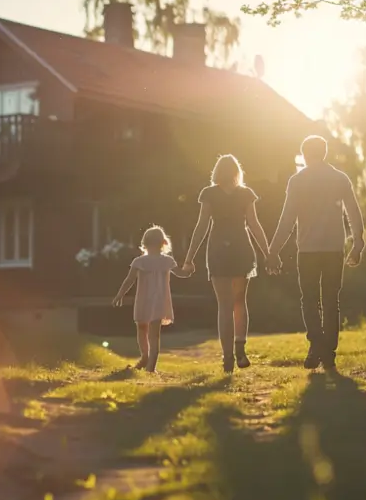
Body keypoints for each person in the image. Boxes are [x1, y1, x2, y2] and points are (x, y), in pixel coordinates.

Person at [267, 135, 365, 371]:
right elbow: (353, 211)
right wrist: (358, 242)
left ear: (304, 154)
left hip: (308, 250)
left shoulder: (297, 181)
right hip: (334, 249)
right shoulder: (339, 179)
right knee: (331, 301)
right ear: (324, 152)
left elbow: (287, 218)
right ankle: (327, 351)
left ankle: (316, 346)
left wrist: (274, 250)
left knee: (309, 300)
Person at [182, 155, 272, 373]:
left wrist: (189, 257)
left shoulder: (209, 193)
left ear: (216, 172)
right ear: (236, 172)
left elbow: (202, 225)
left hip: (218, 250)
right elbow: (254, 224)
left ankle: (228, 357)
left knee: (224, 305)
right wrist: (268, 253)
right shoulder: (245, 194)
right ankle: (240, 347)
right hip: (242, 248)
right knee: (240, 302)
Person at [112, 226, 191, 372]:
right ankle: (147, 360)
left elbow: (129, 280)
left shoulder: (159, 261)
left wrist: (120, 295)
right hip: (156, 300)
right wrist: (188, 270)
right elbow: (181, 274)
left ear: (145, 243)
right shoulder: (143, 261)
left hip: (147, 300)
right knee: (151, 333)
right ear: (163, 243)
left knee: (144, 330)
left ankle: (148, 361)